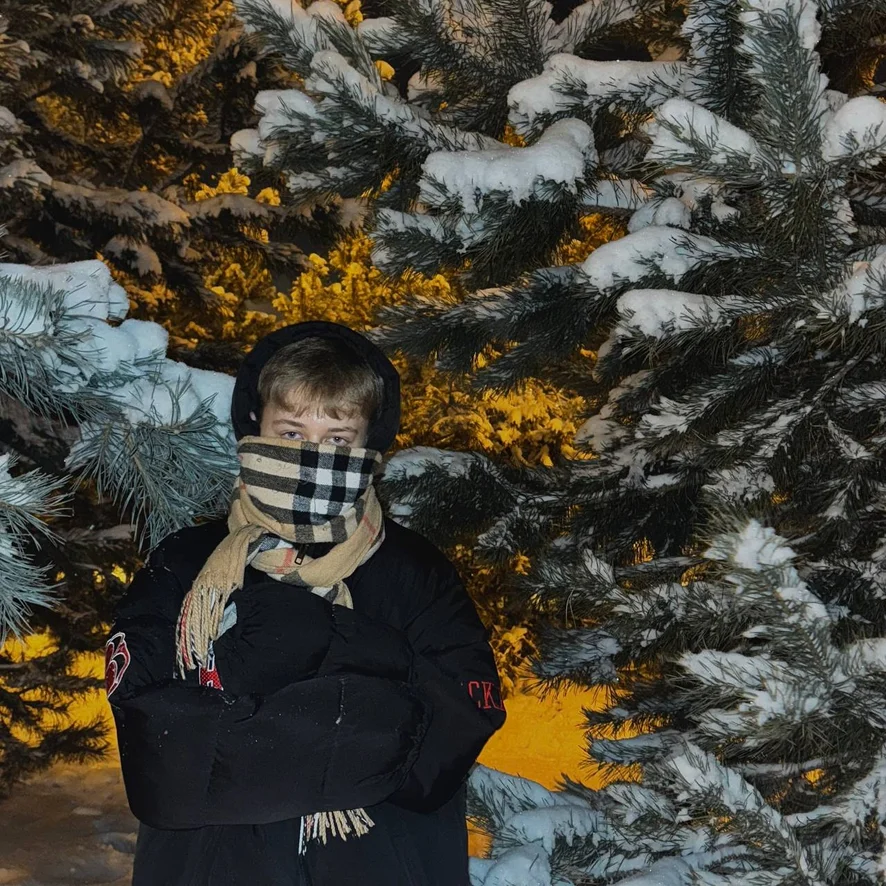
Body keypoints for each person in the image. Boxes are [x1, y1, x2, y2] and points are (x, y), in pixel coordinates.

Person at [105, 321, 506, 886]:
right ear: (256, 427)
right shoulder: (186, 562)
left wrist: (336, 645)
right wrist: (361, 716)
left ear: (368, 445)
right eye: (291, 432)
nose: (313, 455)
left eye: (338, 439)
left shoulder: (415, 571)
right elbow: (159, 759)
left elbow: (450, 738)